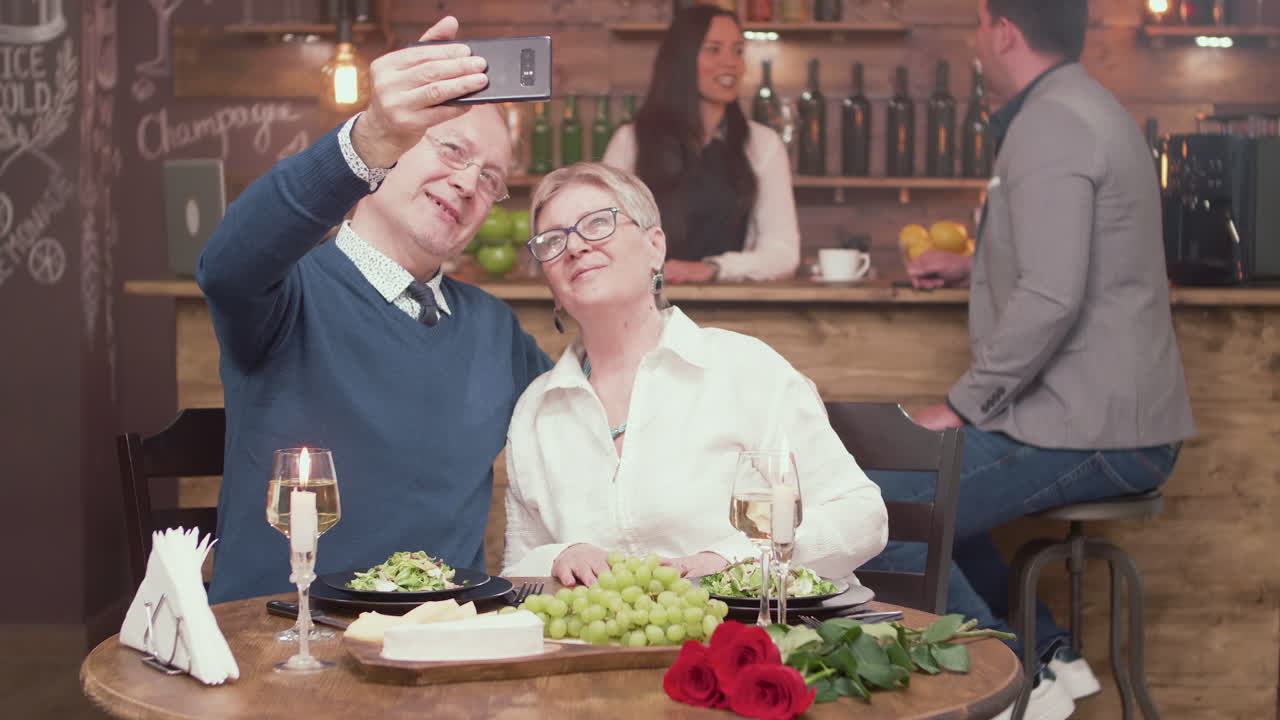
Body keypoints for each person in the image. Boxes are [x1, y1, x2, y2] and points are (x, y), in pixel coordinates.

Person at [874, 1, 1196, 718]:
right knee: (921, 489)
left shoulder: (1051, 123)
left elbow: (1051, 298)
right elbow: (1069, 260)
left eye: (978, 25)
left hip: (1101, 431)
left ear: (1005, 32)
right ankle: (1048, 662)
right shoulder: (1078, 106)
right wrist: (971, 268)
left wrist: (960, 406)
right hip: (1100, 420)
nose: (974, 40)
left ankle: (1012, 681)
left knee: (887, 503)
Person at [197, 17, 552, 603]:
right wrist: (365, 139)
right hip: (284, 646)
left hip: (444, 651)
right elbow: (226, 263)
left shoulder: (495, 329)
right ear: (395, 145)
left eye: (491, 179)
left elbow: (585, 414)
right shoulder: (285, 293)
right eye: (452, 149)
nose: (468, 182)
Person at [500, 162, 885, 586]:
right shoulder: (537, 410)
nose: (574, 248)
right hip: (611, 648)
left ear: (655, 247)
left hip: (766, 636)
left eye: (596, 224)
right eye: (553, 240)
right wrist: (559, 556)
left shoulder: (743, 368)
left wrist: (731, 562)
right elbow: (518, 569)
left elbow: (860, 515)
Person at [602, 5, 799, 284]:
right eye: (714, 49)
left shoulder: (763, 144)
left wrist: (715, 268)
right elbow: (604, 236)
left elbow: (783, 253)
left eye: (738, 51)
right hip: (645, 308)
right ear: (681, 59)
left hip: (732, 310)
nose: (730, 62)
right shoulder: (630, 141)